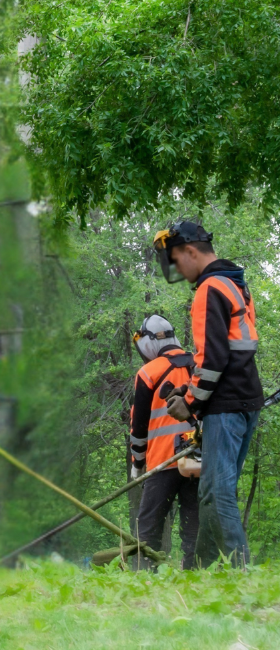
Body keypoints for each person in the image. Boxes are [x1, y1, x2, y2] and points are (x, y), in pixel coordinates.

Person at [153, 221, 263, 567]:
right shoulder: (234, 284)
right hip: (244, 396)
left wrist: (189, 401)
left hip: (227, 405)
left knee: (216, 493)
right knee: (210, 493)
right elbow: (228, 354)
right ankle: (200, 571)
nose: (177, 270)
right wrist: (191, 387)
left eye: (176, 260)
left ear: (191, 251)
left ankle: (241, 574)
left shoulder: (208, 290)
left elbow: (213, 359)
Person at [130, 315, 199, 570]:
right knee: (195, 526)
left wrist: (137, 463)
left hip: (162, 463)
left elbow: (138, 429)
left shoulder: (148, 371)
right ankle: (197, 574)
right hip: (197, 458)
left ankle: (144, 576)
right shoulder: (199, 365)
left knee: (148, 528)